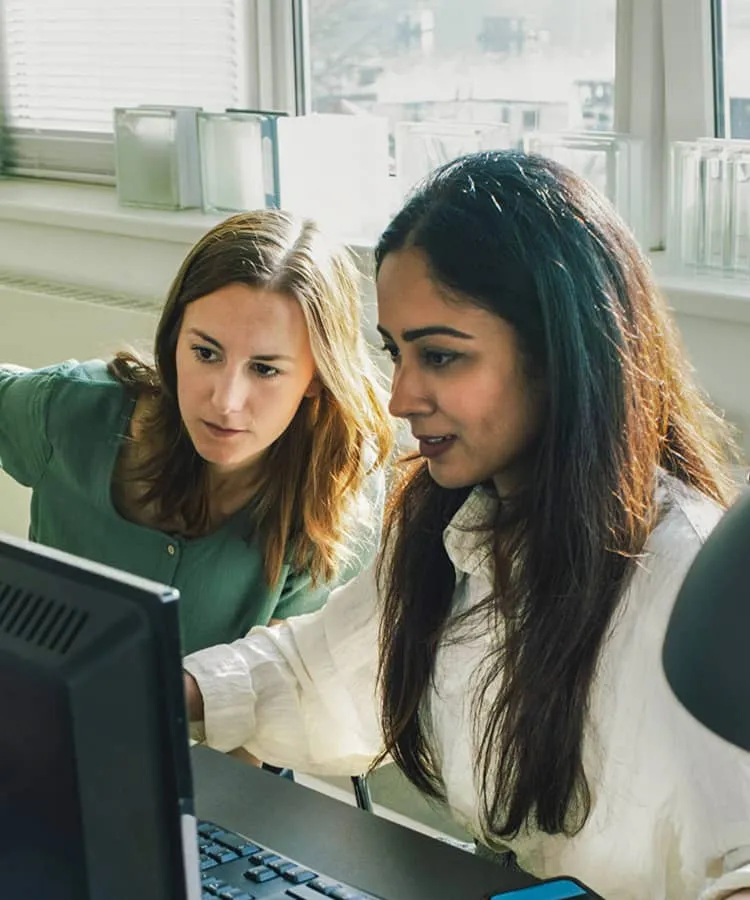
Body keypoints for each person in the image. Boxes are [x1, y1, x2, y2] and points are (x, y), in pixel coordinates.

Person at [183, 152, 750, 900]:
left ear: (559, 350)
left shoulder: (691, 582)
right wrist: (160, 691)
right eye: (396, 352)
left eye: (441, 356)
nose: (400, 397)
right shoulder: (459, 522)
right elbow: (314, 672)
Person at [0, 210, 393, 655]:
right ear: (174, 341)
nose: (225, 401)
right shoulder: (72, 409)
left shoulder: (339, 487)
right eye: (205, 353)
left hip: (218, 727)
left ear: (317, 378)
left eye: (264, 369)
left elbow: (289, 687)